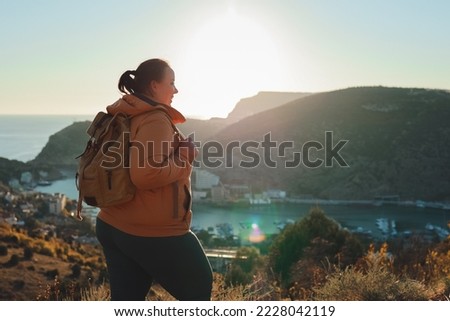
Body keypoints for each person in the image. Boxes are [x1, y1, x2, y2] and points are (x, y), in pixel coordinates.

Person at [95, 58, 213, 301]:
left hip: (111, 223)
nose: (176, 90)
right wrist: (184, 157)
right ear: (154, 85)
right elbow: (145, 174)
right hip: (150, 232)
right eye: (171, 83)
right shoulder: (155, 119)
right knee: (200, 287)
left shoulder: (125, 112)